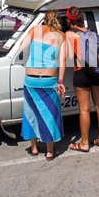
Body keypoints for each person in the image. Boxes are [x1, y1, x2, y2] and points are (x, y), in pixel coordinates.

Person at [20, 10, 66, 160]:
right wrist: (60, 81)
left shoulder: (35, 30)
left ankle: (33, 147)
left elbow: (21, 47)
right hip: (48, 79)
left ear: (44, 20)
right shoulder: (61, 36)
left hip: (31, 79)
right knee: (49, 114)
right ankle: (50, 151)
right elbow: (63, 61)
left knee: (31, 112)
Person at [66, 6, 99, 152]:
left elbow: (70, 58)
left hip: (81, 72)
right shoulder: (92, 32)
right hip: (98, 71)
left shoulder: (70, 34)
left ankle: (84, 143)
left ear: (68, 20)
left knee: (84, 109)